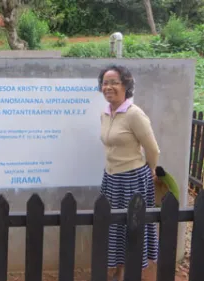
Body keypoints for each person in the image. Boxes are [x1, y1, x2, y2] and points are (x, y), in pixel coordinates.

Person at [98, 65, 159, 281]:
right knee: (114, 226)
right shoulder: (106, 114)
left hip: (133, 179)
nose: (108, 87)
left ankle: (133, 272)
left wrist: (151, 169)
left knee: (131, 226)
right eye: (105, 82)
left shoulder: (135, 114)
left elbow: (152, 148)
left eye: (114, 82)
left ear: (126, 85)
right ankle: (118, 269)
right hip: (111, 178)